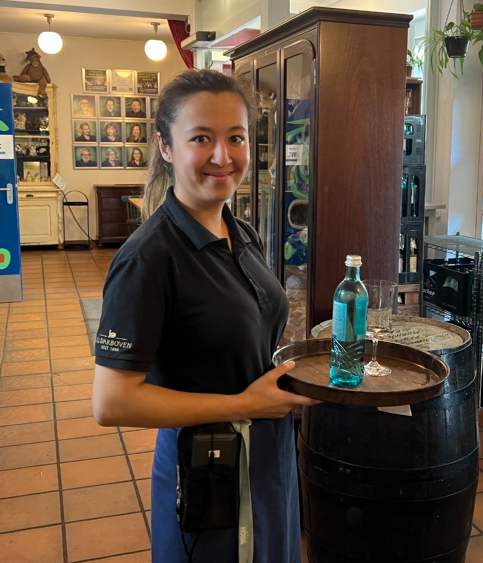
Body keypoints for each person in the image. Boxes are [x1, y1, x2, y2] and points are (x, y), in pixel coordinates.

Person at [92, 69, 315, 563]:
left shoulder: (243, 233)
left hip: (268, 452)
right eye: (201, 138)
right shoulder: (148, 259)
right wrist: (242, 404)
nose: (223, 156)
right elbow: (112, 403)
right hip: (207, 463)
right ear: (166, 148)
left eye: (235, 137)